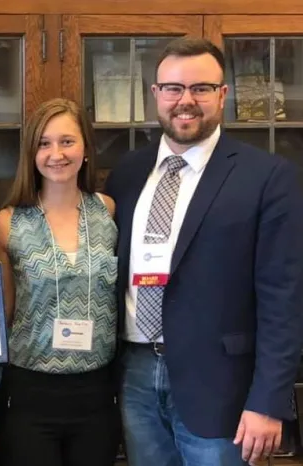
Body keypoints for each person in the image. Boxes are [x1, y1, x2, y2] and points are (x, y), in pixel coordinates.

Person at [104, 37, 303, 466]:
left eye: (201, 88)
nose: (185, 101)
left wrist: (269, 401)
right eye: (173, 88)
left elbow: (283, 300)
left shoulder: (268, 177)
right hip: (135, 372)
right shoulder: (127, 173)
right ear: (155, 94)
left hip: (222, 385)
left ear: (223, 95)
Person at [0, 98, 120, 466]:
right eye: (44, 143)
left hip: (96, 391)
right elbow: (5, 310)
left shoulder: (107, 210)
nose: (56, 154)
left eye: (67, 141)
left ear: (85, 149)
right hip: (31, 391)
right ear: (31, 153)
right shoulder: (8, 222)